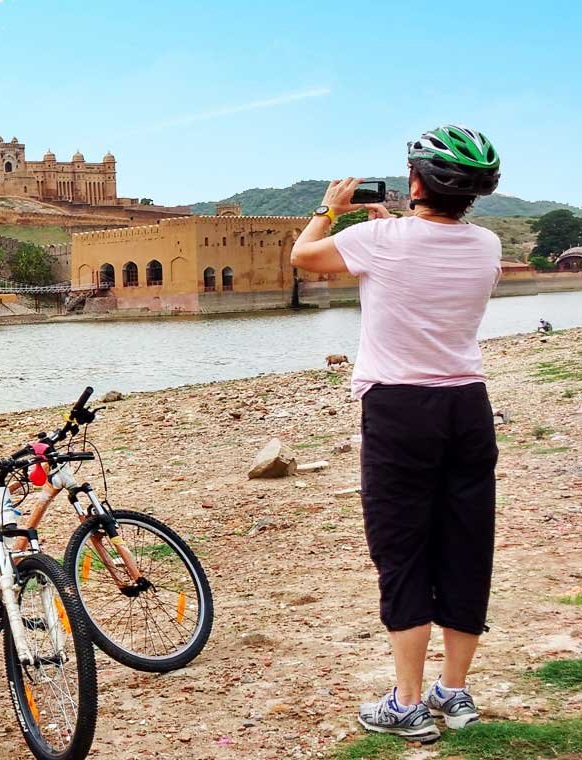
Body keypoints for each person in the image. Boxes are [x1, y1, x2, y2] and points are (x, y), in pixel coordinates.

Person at [289, 125, 502, 743]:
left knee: (403, 549)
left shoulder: (377, 238)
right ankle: (454, 694)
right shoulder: (487, 246)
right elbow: (436, 266)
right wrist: (395, 225)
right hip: (467, 405)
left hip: (399, 408)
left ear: (416, 182)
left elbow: (304, 257)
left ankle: (407, 703)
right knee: (466, 544)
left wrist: (331, 208)